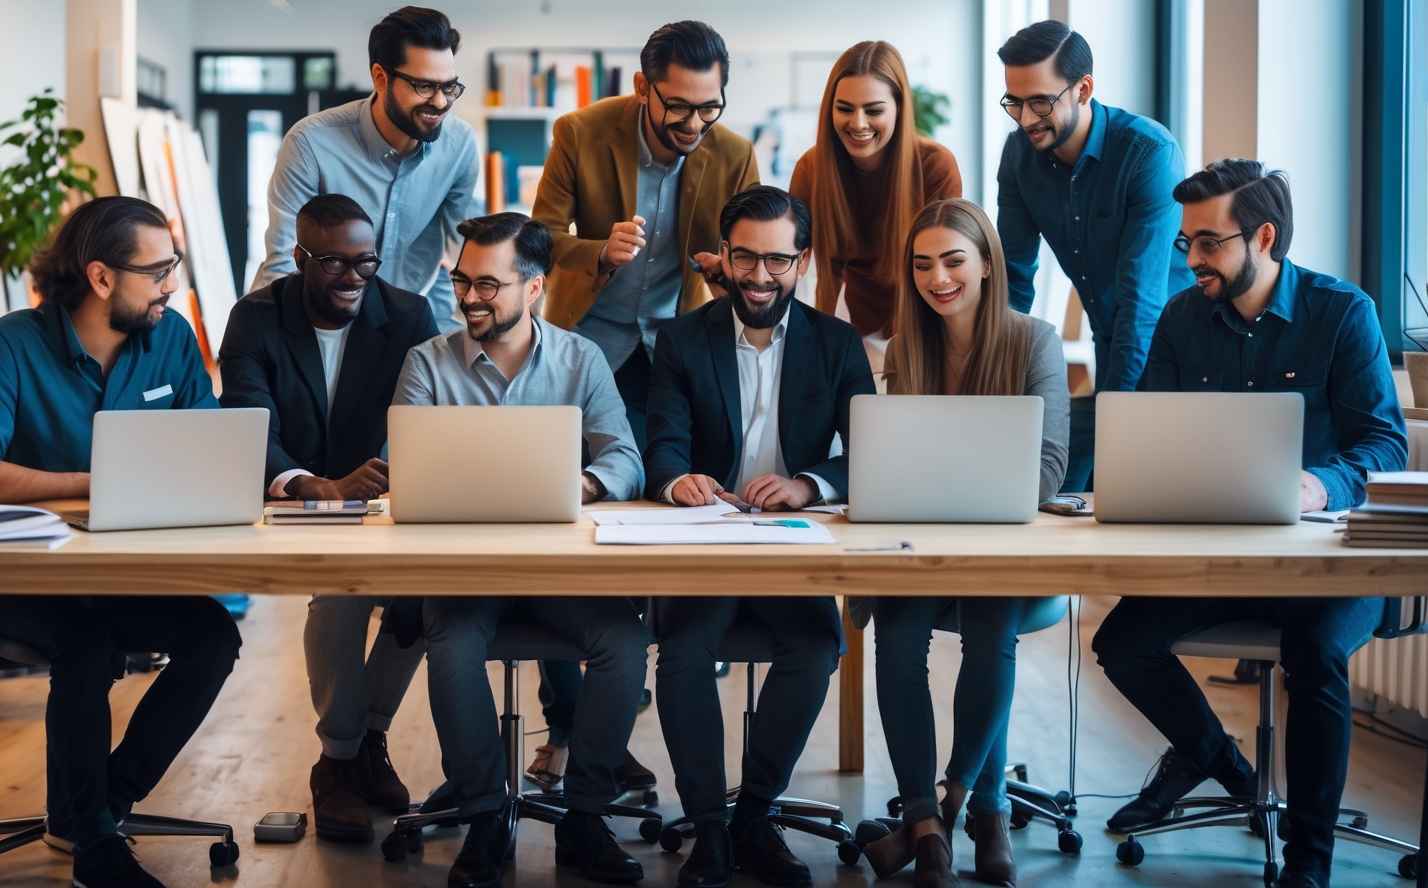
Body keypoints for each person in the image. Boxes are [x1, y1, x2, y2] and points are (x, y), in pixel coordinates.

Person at [1094, 160, 1407, 888]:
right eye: (1187, 244)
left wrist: (1317, 484)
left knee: (1315, 656)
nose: (1192, 259)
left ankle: (1308, 862)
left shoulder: (1342, 312)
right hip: (1218, 558)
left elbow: (1385, 444)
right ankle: (1228, 767)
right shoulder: (1181, 317)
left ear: (1263, 237)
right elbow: (1148, 432)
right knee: (1123, 643)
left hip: (1325, 563)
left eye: (1208, 243)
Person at [0, 196, 242, 888]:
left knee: (214, 639)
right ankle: (98, 851)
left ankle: (102, 804)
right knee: (85, 646)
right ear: (101, 277)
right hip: (14, 580)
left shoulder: (168, 339)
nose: (171, 284)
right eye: (158, 269)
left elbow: (209, 445)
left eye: (174, 266)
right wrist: (93, 477)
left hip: (120, 574)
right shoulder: (12, 342)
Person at [390, 212, 649, 888]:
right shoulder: (427, 363)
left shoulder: (580, 359)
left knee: (623, 642)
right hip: (465, 570)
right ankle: (483, 817)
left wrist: (584, 483)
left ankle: (586, 819)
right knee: (449, 641)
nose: (469, 298)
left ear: (534, 288)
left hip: (559, 567)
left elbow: (624, 455)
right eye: (461, 282)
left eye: (488, 285)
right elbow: (403, 467)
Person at [644, 186, 875, 888]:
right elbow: (661, 445)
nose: (760, 275)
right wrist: (676, 480)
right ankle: (710, 826)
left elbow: (868, 447)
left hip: (788, 547)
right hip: (707, 541)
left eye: (777, 259)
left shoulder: (836, 343)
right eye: (745, 257)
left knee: (815, 645)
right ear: (726, 256)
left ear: (801, 260)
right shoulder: (682, 338)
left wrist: (808, 482)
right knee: (682, 652)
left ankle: (756, 814)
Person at [859, 199, 1069, 888]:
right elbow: (893, 456)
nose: (938, 277)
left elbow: (1049, 465)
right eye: (922, 264)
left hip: (998, 541)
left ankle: (959, 810)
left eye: (953, 260)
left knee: (990, 634)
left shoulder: (1033, 341)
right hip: (919, 539)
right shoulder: (904, 350)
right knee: (896, 631)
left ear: (986, 264)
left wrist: (970, 497)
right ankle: (932, 816)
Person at [219, 193, 438, 843]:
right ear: (300, 257)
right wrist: (310, 485)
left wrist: (402, 473)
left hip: (387, 496)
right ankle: (339, 762)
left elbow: (429, 409)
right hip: (295, 499)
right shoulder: (256, 318)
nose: (352, 278)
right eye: (335, 263)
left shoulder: (407, 315)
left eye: (365, 262)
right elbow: (247, 419)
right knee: (341, 597)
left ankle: (366, 740)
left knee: (424, 600)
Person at [532, 19, 760, 451]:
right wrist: (599, 252)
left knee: (660, 463)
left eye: (709, 107)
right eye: (678, 106)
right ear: (642, 87)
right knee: (563, 458)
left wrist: (728, 269)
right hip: (586, 333)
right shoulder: (578, 133)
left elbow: (754, 248)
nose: (694, 124)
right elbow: (541, 235)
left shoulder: (735, 155)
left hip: (672, 339)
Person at [994, 20, 1191, 491]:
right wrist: (996, 388)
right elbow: (1015, 280)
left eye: (1040, 102)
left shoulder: (1148, 153)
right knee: (1070, 489)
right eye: (1014, 102)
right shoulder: (1019, 157)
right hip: (1112, 337)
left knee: (1141, 486)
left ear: (1083, 89)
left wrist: (1115, 416)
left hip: (1178, 347)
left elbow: (1142, 303)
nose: (1025, 119)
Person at [256, 5, 479, 326]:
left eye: (449, 87)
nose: (441, 101)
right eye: (425, 86)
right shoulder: (311, 143)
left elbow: (466, 250)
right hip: (320, 318)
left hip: (409, 318)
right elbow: (283, 262)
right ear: (380, 78)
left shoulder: (459, 145)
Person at [788, 40, 962, 358]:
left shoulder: (934, 166)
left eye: (874, 110)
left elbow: (944, 271)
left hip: (923, 326)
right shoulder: (811, 169)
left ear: (899, 108)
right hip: (844, 326)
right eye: (844, 109)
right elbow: (788, 260)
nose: (858, 123)